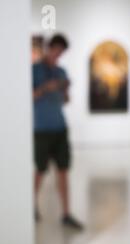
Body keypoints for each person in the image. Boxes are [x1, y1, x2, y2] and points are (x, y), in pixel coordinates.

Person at [33, 34, 83, 230]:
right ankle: (32, 206)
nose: (58, 55)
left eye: (61, 53)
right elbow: (29, 96)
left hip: (60, 127)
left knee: (63, 170)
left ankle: (66, 213)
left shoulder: (62, 71)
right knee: (40, 170)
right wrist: (46, 87)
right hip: (41, 128)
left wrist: (65, 90)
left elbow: (66, 101)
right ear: (49, 48)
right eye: (57, 51)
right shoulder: (35, 70)